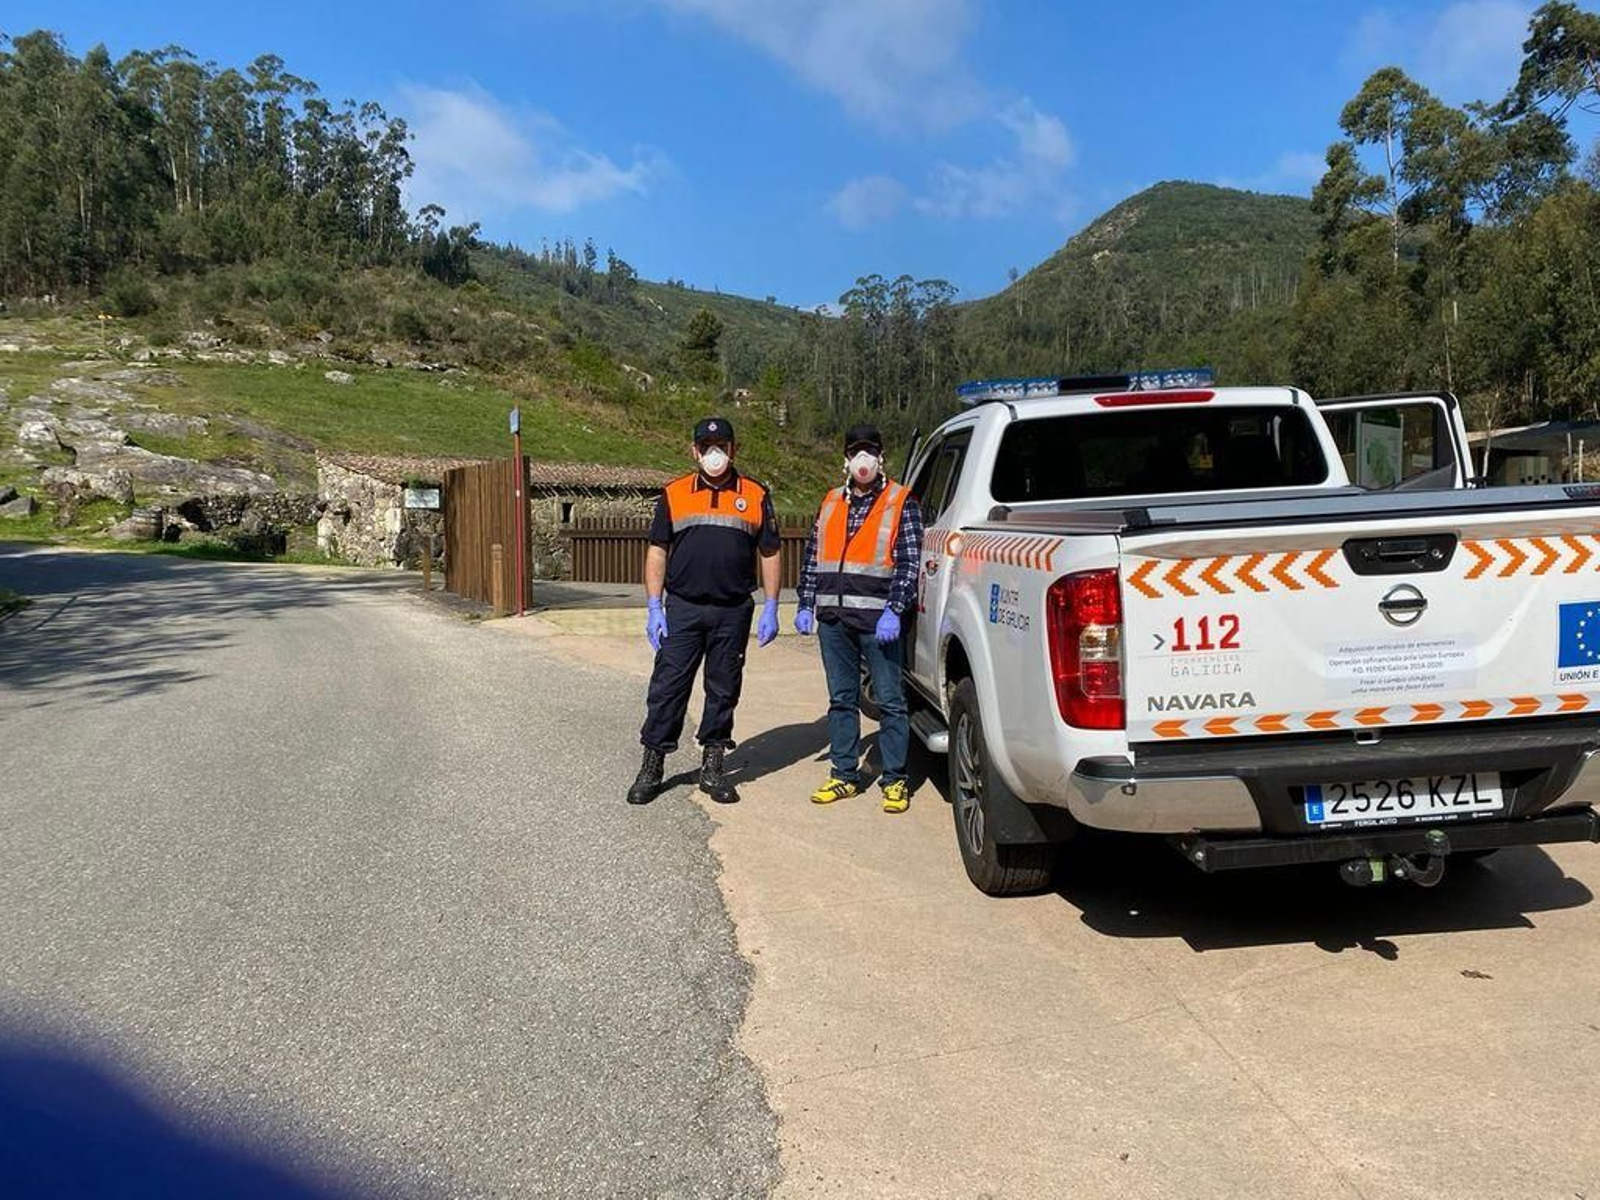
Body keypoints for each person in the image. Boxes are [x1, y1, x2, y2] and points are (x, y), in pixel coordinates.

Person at [627, 416, 783, 807]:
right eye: (706, 447)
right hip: (683, 608)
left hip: (733, 610)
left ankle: (713, 765)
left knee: (723, 688)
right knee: (668, 687)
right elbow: (658, 550)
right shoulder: (674, 493)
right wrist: (653, 605)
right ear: (694, 450)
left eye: (723, 446)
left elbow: (770, 551)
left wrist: (772, 605)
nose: (715, 454)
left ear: (734, 449)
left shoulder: (756, 494)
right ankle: (653, 764)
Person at [794, 424, 923, 813]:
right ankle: (844, 775)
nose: (863, 460)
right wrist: (805, 602)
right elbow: (813, 556)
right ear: (846, 459)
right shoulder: (831, 501)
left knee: (890, 701)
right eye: (856, 452)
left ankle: (895, 779)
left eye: (870, 451)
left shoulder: (902, 500)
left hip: (877, 621)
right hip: (834, 619)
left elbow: (909, 562)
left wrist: (895, 609)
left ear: (881, 456)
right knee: (841, 700)